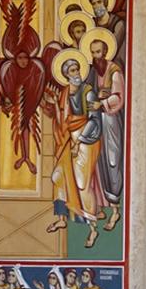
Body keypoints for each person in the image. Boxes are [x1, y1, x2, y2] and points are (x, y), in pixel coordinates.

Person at [47, 51, 103, 248]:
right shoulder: (64, 93)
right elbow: (63, 119)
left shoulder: (88, 92)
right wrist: (55, 105)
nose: (77, 73)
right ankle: (62, 219)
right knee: (58, 177)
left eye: (77, 69)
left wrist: (79, 142)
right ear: (66, 74)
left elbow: (94, 120)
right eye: (72, 70)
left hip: (87, 139)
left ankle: (93, 229)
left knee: (81, 183)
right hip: (69, 139)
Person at [84, 30, 124, 230]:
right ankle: (100, 206)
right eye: (92, 53)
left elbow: (119, 97)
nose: (95, 56)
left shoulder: (114, 71)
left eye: (98, 52)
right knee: (97, 162)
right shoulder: (92, 72)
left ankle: (116, 210)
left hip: (111, 121)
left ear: (106, 52)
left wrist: (103, 104)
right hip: (96, 122)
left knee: (112, 161)